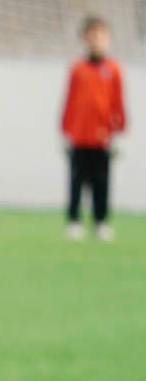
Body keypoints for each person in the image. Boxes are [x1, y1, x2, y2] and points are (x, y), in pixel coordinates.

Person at [62, 16, 127, 241]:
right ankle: (74, 220)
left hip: (102, 136)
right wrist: (66, 129)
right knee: (76, 180)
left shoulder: (113, 69)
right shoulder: (77, 69)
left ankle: (100, 221)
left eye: (100, 36)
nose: (96, 40)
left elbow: (118, 101)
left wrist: (119, 129)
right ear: (84, 39)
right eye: (92, 36)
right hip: (79, 134)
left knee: (101, 181)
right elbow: (69, 100)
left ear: (107, 39)